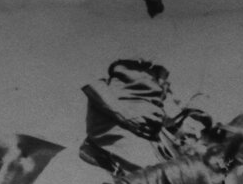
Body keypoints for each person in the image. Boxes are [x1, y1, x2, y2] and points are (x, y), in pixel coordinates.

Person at [79, 58, 207, 174]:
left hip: (148, 134)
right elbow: (90, 81)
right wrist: (126, 116)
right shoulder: (119, 84)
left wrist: (187, 113)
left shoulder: (157, 91)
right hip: (123, 124)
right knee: (161, 178)